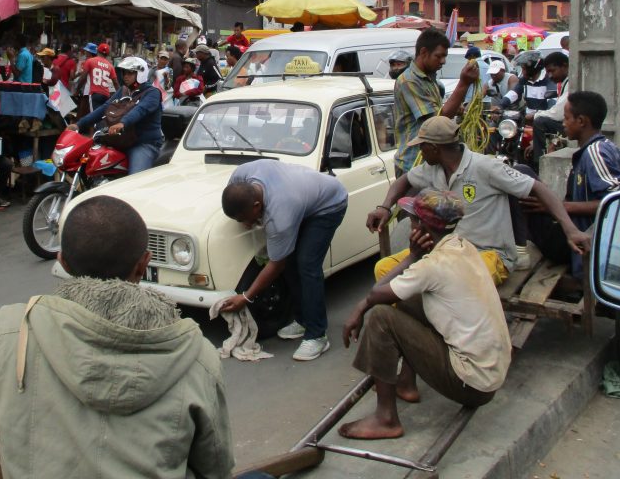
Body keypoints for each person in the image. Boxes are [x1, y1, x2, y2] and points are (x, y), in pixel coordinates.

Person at [0, 196, 234, 479]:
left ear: (62, 262)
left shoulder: (11, 330)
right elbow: (216, 467)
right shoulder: (196, 355)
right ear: (144, 264)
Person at [340, 188, 512, 440]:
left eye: (412, 220)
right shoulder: (463, 246)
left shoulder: (432, 266)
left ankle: (385, 418)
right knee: (407, 299)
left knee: (381, 317)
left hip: (472, 383)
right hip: (491, 373)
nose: (410, 225)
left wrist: (411, 256)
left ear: (421, 227)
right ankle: (406, 383)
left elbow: (376, 293)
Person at [367, 116, 588, 284]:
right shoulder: (431, 168)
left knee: (451, 281)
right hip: (445, 251)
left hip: (488, 255)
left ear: (434, 148)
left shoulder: (485, 167)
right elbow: (404, 181)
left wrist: (570, 230)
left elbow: (538, 188)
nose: (420, 152)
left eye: (422, 146)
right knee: (384, 269)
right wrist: (384, 207)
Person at [218, 161, 348, 361]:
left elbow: (276, 263)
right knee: (291, 263)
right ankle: (302, 319)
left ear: (257, 205)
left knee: (307, 265)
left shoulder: (280, 215)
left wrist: (245, 297)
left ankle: (317, 334)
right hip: (303, 197)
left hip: (329, 204)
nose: (245, 224)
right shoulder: (240, 176)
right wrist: (247, 218)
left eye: (245, 218)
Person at [521, 92, 620, 280]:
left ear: (581, 121)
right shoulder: (602, 147)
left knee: (521, 173)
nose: (563, 123)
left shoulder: (597, 153)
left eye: (566, 118)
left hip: (580, 243)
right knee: (526, 176)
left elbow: (616, 201)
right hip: (578, 231)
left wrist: (558, 207)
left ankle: (517, 248)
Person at [393, 28, 479, 175]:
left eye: (445, 56)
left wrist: (455, 109)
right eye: (438, 56)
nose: (443, 61)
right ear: (424, 52)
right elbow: (438, 121)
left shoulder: (431, 80)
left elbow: (440, 111)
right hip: (413, 163)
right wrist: (463, 83)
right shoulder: (409, 81)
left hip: (432, 162)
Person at [73, 56, 163, 174]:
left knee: (135, 180)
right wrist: (78, 125)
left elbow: (140, 110)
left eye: (130, 73)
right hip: (120, 141)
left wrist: (122, 123)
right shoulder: (124, 90)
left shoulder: (152, 93)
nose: (125, 76)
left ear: (140, 74)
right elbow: (104, 108)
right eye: (124, 73)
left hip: (143, 143)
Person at [527, 51, 570, 166]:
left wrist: (536, 115)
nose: (550, 75)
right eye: (547, 72)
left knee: (540, 121)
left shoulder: (571, 83)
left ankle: (539, 162)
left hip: (569, 124)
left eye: (552, 71)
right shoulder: (563, 83)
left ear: (565, 66)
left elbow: (558, 113)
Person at [81, 41, 118, 112]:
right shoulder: (110, 66)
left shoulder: (90, 61)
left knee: (93, 116)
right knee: (101, 116)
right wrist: (119, 95)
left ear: (97, 51)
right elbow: (116, 83)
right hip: (106, 95)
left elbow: (83, 78)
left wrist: (77, 90)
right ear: (107, 54)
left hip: (94, 93)